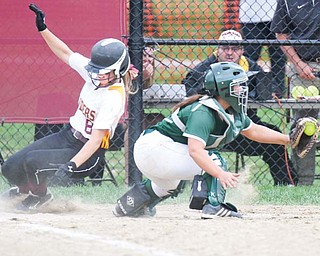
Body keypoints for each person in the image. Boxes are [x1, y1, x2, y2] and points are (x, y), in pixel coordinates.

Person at [113, 61, 296, 219]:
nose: (244, 90)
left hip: (159, 153)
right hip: (154, 149)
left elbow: (254, 131)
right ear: (224, 89)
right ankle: (214, 206)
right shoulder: (204, 111)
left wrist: (289, 139)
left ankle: (129, 205)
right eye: (239, 86)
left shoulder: (231, 110)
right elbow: (195, 150)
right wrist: (219, 173)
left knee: (167, 186)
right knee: (215, 159)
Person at [0, 4, 137, 211]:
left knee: (33, 162)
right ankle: (23, 190)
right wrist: (43, 29)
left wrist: (72, 165)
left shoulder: (113, 96)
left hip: (89, 152)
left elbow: (97, 139)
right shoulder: (95, 75)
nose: (98, 75)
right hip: (67, 136)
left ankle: (41, 197)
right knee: (10, 167)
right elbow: (65, 52)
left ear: (119, 70)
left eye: (104, 72)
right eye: (96, 69)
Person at [183, 29, 297, 186]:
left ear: (242, 50)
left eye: (235, 48)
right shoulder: (205, 68)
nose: (230, 53)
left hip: (243, 125)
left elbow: (264, 87)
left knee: (274, 134)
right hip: (212, 127)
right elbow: (189, 88)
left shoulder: (251, 66)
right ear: (218, 49)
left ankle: (287, 183)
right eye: (225, 48)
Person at [271, 0, 320, 185]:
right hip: (304, 68)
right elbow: (281, 34)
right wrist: (298, 64)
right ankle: (304, 182)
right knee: (305, 125)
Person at [239, 0, 287, 98]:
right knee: (249, 59)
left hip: (276, 13)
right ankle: (249, 92)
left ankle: (278, 93)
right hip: (250, 16)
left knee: (279, 57)